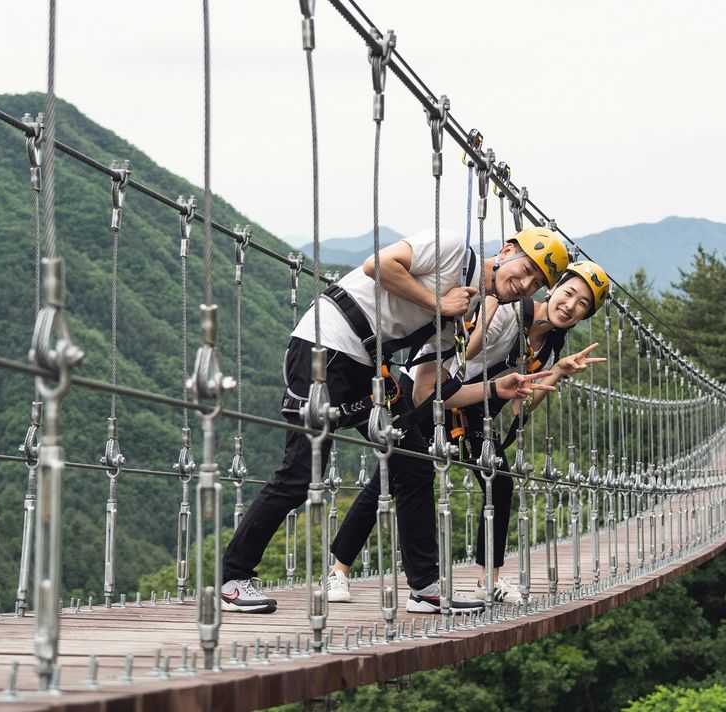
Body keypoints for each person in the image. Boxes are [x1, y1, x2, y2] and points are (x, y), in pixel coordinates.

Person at [220, 226, 570, 613]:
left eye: (537, 282)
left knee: (414, 465)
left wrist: (495, 389)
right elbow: (379, 265)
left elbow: (427, 392)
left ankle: (425, 588)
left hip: (369, 369)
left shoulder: (465, 311)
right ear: (506, 251)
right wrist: (439, 303)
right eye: (525, 269)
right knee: (301, 473)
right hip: (326, 346)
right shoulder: (453, 248)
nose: (525, 284)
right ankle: (232, 579)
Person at [324, 260, 611, 610]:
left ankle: (488, 580)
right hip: (425, 391)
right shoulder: (510, 312)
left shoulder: (550, 344)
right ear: (553, 289)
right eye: (569, 293)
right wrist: (492, 301)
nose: (570, 305)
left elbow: (524, 404)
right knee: (390, 478)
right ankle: (338, 571)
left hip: (474, 405)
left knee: (499, 481)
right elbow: (466, 350)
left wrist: (558, 372)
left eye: (582, 305)